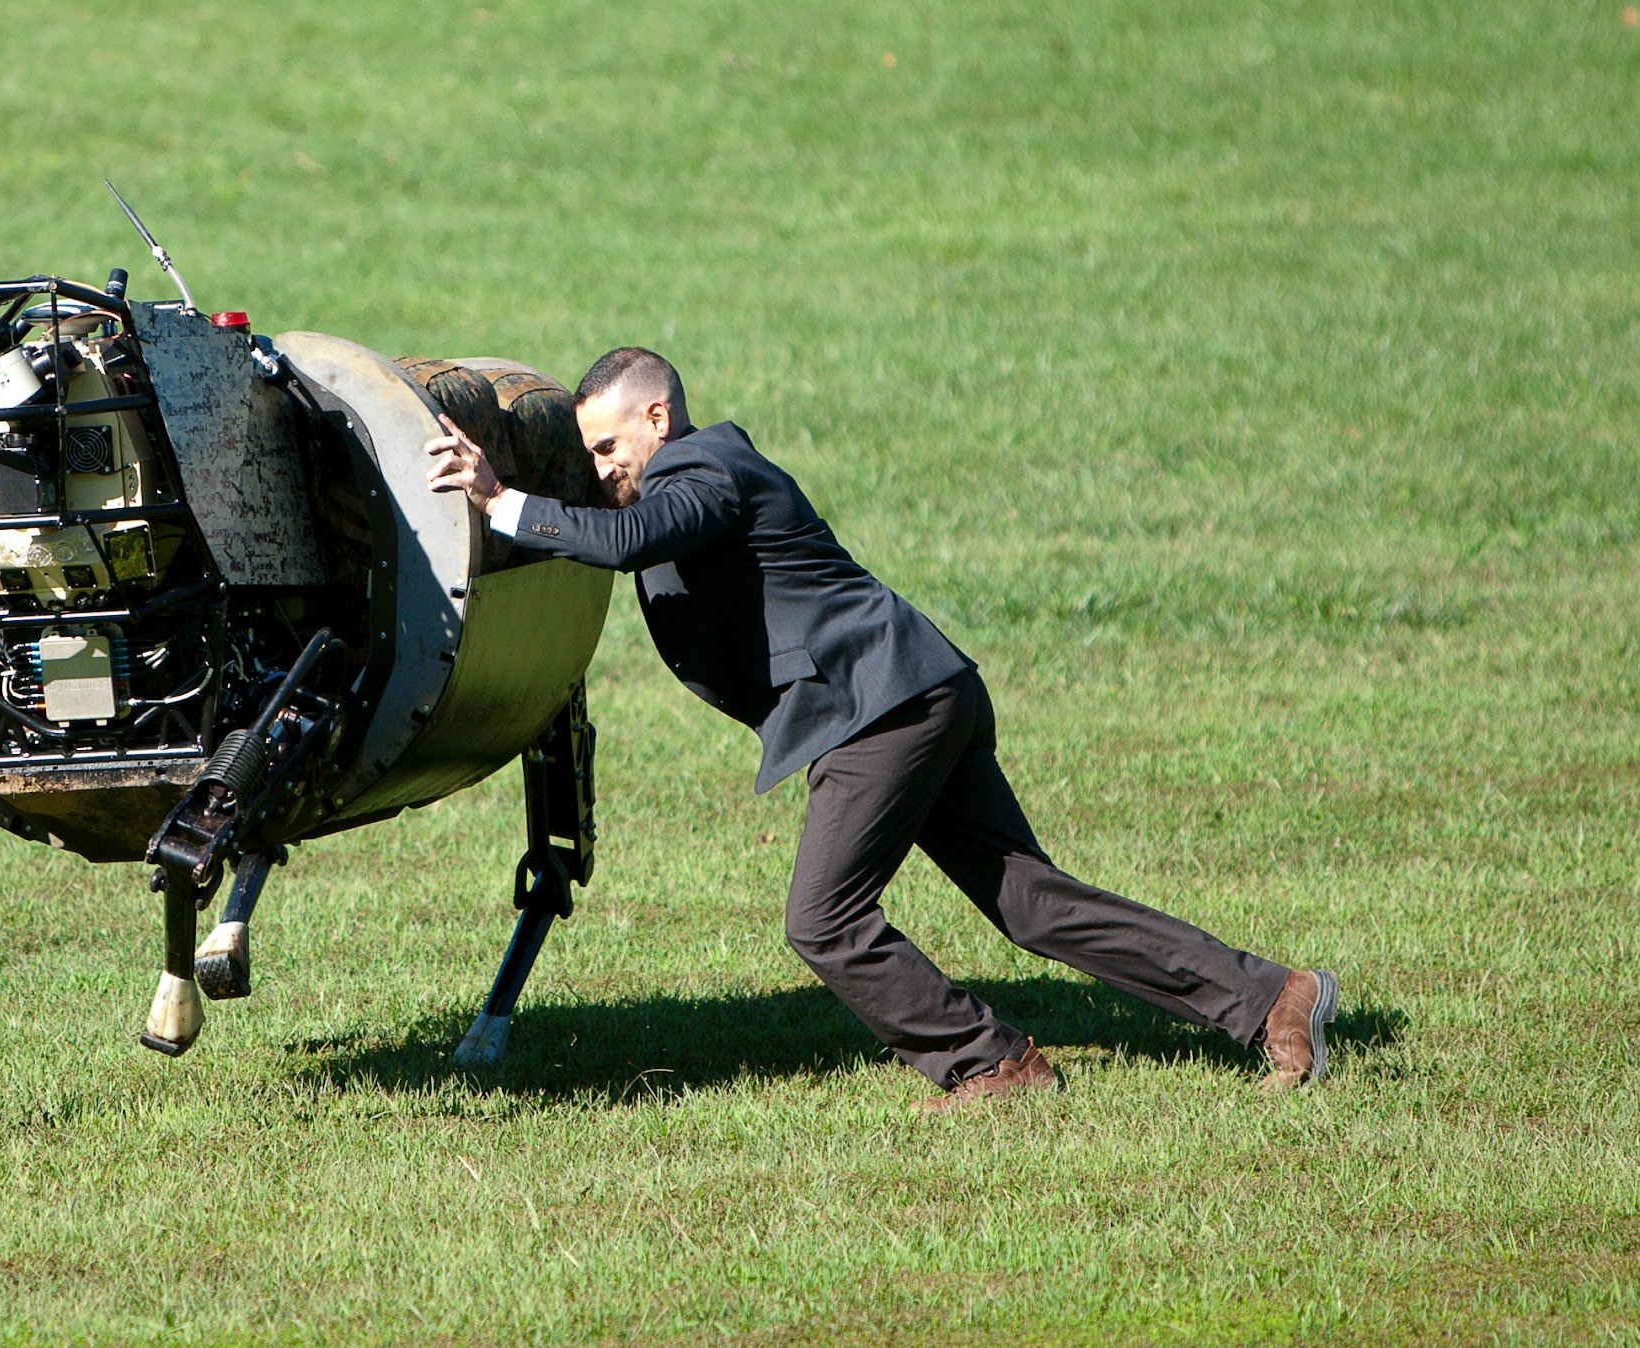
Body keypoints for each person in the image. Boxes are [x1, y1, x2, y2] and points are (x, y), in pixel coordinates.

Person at [425, 347, 1336, 1107]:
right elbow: (607, 531)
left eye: (609, 444)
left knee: (823, 920)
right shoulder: (665, 495)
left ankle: (989, 1063)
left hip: (878, 712)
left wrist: (503, 499)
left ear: (658, 418)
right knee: (1029, 901)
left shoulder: (707, 469)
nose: (601, 465)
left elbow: (625, 540)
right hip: (913, 692)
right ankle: (1273, 998)